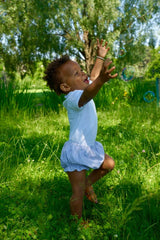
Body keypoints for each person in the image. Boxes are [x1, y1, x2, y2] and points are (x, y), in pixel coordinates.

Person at [43, 39, 118, 221]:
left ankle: (87, 184)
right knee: (76, 195)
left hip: (88, 147)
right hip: (77, 151)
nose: (83, 73)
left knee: (109, 164)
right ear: (65, 87)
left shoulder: (83, 87)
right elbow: (89, 92)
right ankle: (77, 224)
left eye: (80, 70)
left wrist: (100, 57)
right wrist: (100, 81)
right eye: (77, 73)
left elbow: (92, 76)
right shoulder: (73, 98)